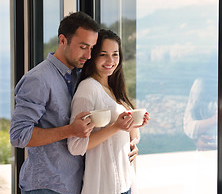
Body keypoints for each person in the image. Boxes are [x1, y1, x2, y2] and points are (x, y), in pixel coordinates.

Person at [10, 11, 100, 194]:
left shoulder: (79, 76)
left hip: (73, 184)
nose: (89, 55)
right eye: (83, 46)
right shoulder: (38, 79)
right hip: (46, 187)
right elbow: (19, 135)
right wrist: (71, 130)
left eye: (92, 47)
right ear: (62, 40)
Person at [67, 29, 150, 194]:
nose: (111, 60)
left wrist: (135, 125)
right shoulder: (88, 88)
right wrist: (116, 127)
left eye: (115, 54)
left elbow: (128, 136)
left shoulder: (114, 88)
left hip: (125, 183)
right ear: (93, 56)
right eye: (103, 54)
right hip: (104, 186)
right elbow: (75, 146)